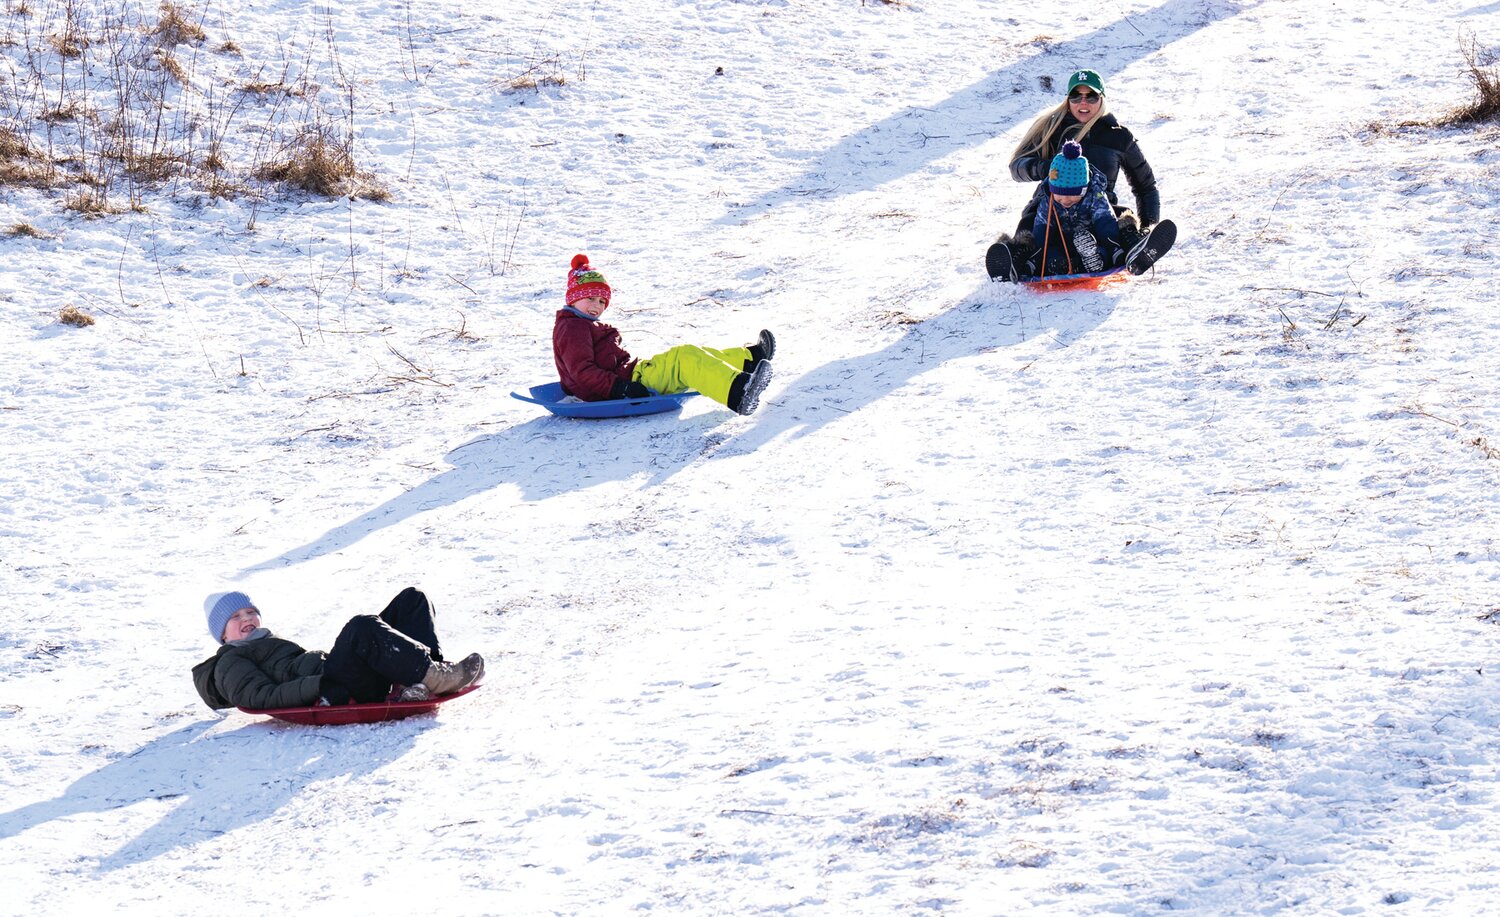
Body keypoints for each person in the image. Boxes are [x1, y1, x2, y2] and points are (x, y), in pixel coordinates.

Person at [191, 587, 484, 711]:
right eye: (235, 617)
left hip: (338, 676)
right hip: (334, 686)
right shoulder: (229, 662)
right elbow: (259, 697)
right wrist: (322, 686)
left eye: (249, 612)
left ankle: (423, 679)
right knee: (361, 627)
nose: (246, 620)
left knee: (412, 599)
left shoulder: (270, 643)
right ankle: (434, 677)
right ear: (222, 635)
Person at [553, 254, 775, 416]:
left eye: (602, 301)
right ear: (573, 298)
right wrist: (620, 388)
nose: (597, 306)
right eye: (590, 298)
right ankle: (739, 393)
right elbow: (582, 371)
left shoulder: (582, 325)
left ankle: (749, 361)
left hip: (633, 374)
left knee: (695, 354)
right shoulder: (573, 327)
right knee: (685, 358)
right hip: (625, 383)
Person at [992, 68, 1161, 270]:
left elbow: (1146, 187)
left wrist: (1148, 225)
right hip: (1051, 210)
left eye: (1091, 96)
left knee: (1121, 220)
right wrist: (1047, 169)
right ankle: (1017, 262)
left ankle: (1136, 246)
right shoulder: (1052, 129)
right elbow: (1017, 167)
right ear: (1068, 99)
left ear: (1102, 98)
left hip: (1097, 212)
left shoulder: (1118, 136)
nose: (1083, 102)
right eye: (1076, 96)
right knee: (1029, 228)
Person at [990, 141, 1124, 281]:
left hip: (1090, 239)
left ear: (1084, 189)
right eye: (1060, 194)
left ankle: (1096, 261)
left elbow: (1105, 221)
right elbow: (1042, 229)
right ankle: (1055, 265)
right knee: (1051, 255)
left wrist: (1114, 247)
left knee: (1101, 249)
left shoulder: (1094, 196)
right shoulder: (1049, 200)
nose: (1065, 199)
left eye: (1073, 194)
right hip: (1061, 242)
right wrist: (1036, 257)